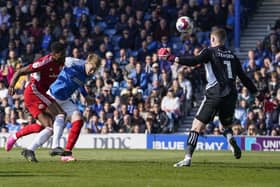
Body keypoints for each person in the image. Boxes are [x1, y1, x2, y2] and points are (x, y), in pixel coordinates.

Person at [173, 28, 258, 167]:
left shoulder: (209, 51)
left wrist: (174, 59)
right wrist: (257, 93)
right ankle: (230, 139)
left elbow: (195, 61)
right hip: (231, 95)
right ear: (223, 39)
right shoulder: (232, 55)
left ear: (213, 39)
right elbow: (244, 78)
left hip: (215, 93)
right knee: (226, 126)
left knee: (196, 127)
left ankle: (187, 158)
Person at [6, 54, 101, 162]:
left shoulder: (88, 74)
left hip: (65, 99)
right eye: (92, 68)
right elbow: (59, 62)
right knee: (43, 127)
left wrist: (85, 95)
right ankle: (16, 137)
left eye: (95, 70)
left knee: (78, 120)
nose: (92, 72)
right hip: (51, 96)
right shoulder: (73, 62)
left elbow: (79, 83)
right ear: (87, 62)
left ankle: (66, 154)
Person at [6, 42, 66, 161]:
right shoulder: (45, 62)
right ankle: (55, 146)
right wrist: (11, 86)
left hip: (39, 93)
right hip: (34, 92)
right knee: (60, 114)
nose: (64, 56)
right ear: (54, 54)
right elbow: (20, 71)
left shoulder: (61, 62)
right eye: (62, 54)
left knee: (47, 126)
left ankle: (28, 149)